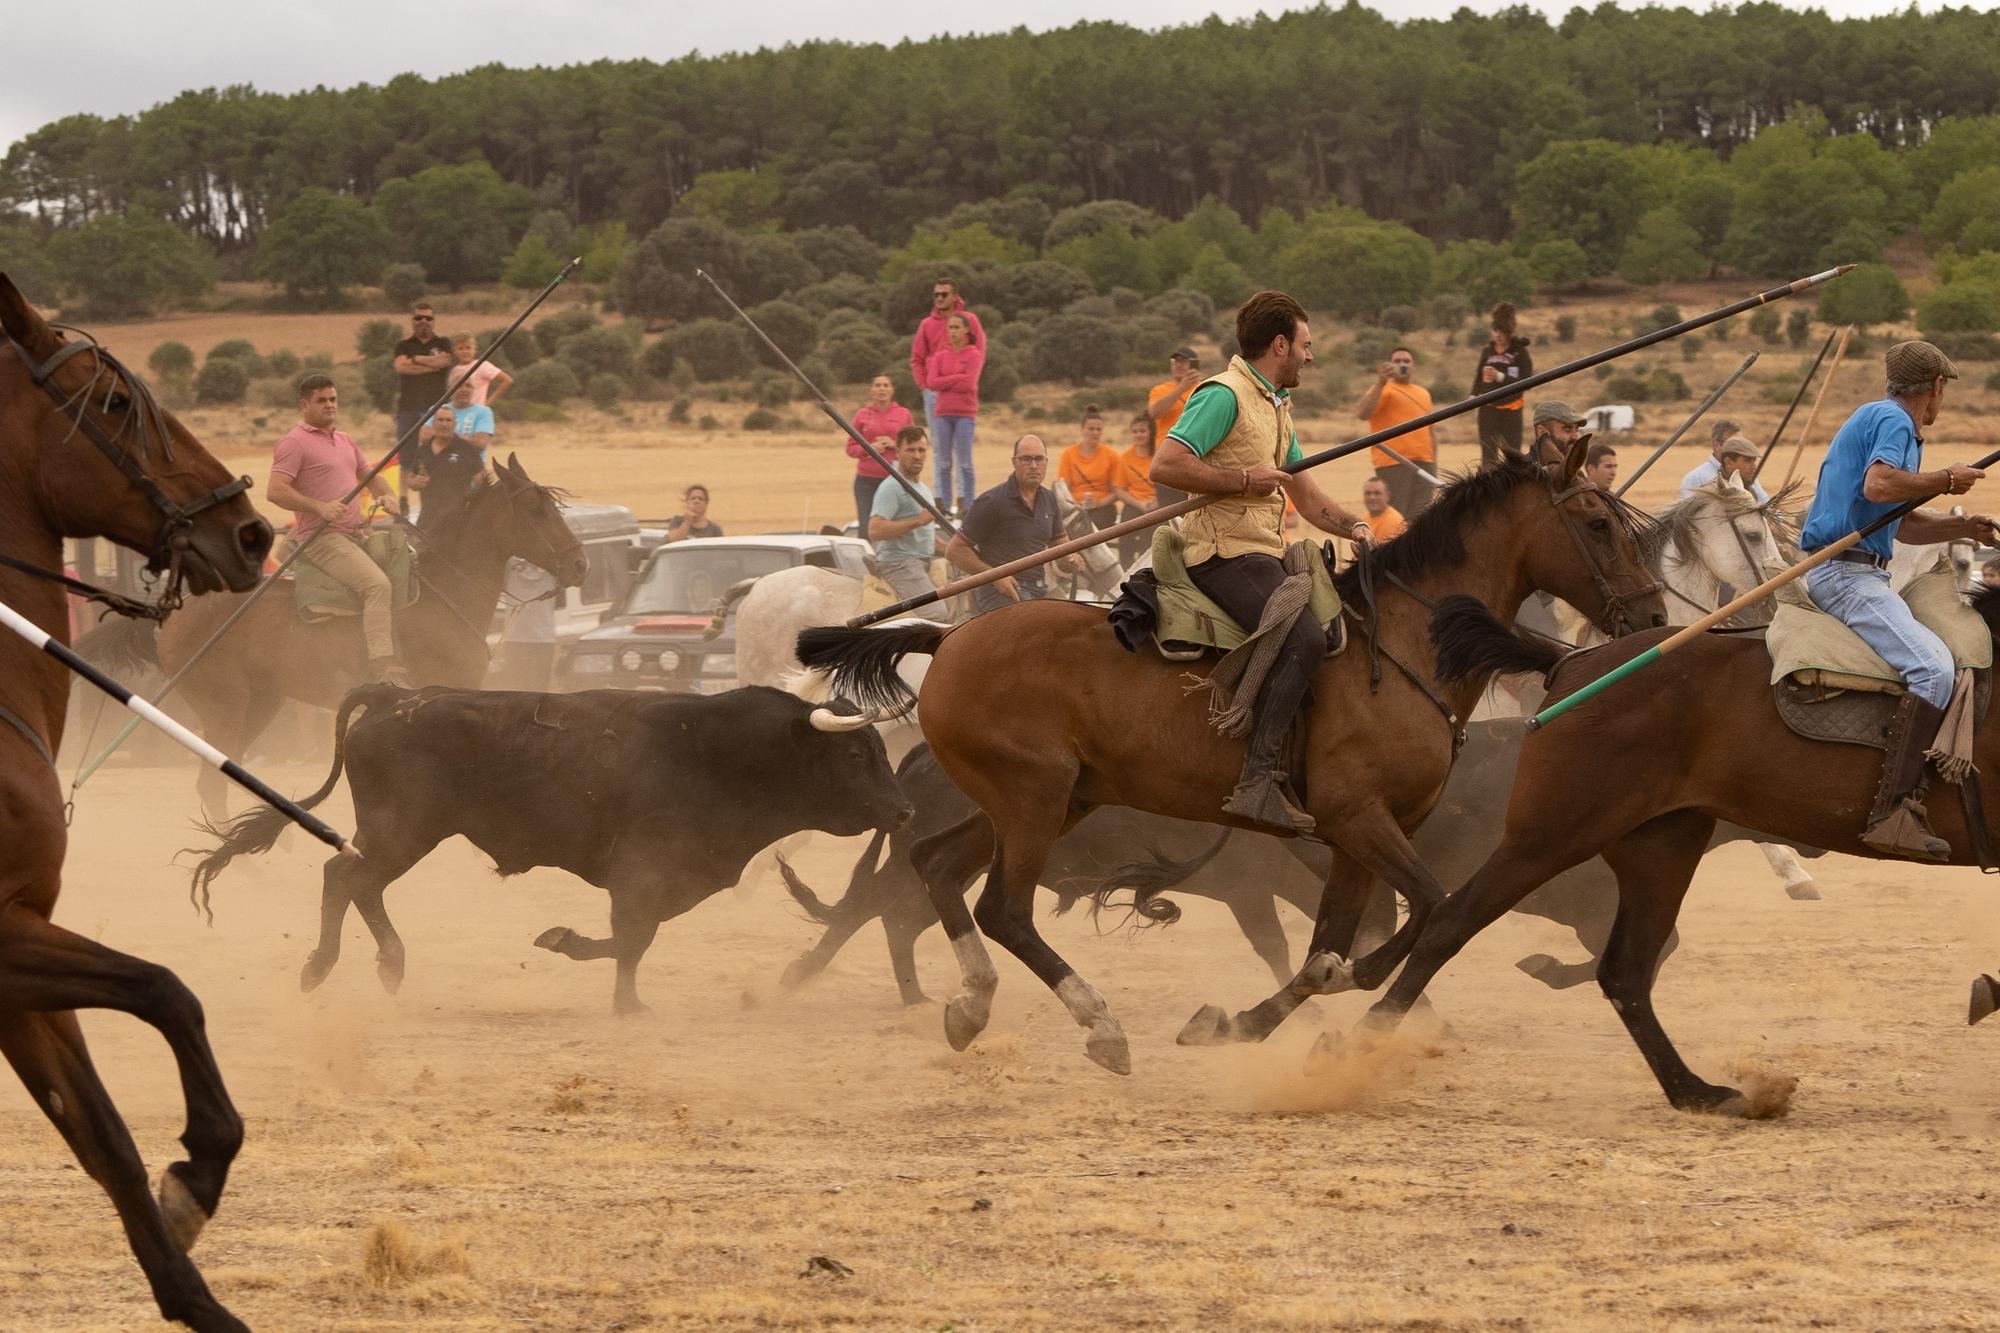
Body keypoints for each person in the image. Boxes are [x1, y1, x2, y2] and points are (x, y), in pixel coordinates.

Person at [1150, 289, 1373, 836]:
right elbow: (1166, 464)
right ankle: (1257, 781)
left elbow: (1307, 496)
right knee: (1304, 640)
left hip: (1262, 553)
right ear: (1280, 345)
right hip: (1222, 554)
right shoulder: (1223, 396)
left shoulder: (1275, 405)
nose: (1311, 356)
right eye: (1306, 345)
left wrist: (1355, 527)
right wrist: (1242, 481)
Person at [1797, 341, 1995, 860]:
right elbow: (1882, 484)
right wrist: (1946, 479)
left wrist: (1960, 524)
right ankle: (1893, 812)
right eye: (1943, 390)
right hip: (1847, 575)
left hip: (1859, 569)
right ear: (1935, 387)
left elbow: (1899, 521)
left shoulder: (1878, 418)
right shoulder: (1894, 420)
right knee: (1934, 669)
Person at [267, 373, 407, 683]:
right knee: (377, 586)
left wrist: (387, 496)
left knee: (405, 570)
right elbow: (275, 491)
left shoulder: (344, 439)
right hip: (322, 538)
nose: (330, 405)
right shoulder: (294, 442)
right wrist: (320, 507)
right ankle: (382, 667)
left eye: (333, 399)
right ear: (305, 405)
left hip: (357, 533)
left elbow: (370, 474)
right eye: (322, 400)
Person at [946, 435, 1082, 616]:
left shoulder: (1049, 499)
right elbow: (954, 551)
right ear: (1014, 462)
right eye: (1026, 459)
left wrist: (1071, 558)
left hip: (1040, 590)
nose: (1034, 465)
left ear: (1046, 462)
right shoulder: (992, 501)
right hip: (1000, 594)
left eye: (1039, 459)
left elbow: (1061, 546)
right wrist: (995, 576)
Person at [868, 426, 947, 617]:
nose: (917, 456)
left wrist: (957, 550)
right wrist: (918, 520)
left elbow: (926, 537)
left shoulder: (922, 489)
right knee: (936, 613)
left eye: (921, 450)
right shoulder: (892, 487)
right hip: (900, 563)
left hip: (923, 561)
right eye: (910, 450)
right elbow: (875, 530)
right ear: (898, 452)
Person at [909, 277, 985, 468]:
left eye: (944, 294)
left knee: (962, 451)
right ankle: (940, 496)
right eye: (936, 294)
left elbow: (979, 351)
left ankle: (962, 496)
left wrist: (969, 378)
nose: (939, 298)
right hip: (934, 393)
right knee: (938, 449)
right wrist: (924, 386)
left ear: (954, 296)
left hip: (963, 395)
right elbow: (916, 358)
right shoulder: (926, 324)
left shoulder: (970, 320)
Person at [1354, 344, 1436, 516]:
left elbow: (1430, 431)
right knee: (1397, 516)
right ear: (1389, 365)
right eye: (1397, 361)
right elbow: (1362, 413)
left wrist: (1433, 463)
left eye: (1406, 361)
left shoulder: (1423, 393)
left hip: (1425, 464)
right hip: (1394, 463)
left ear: (1414, 366)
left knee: (1422, 517)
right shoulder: (1383, 389)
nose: (1402, 364)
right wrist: (1380, 383)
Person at [925, 312, 984, 516]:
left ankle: (968, 505)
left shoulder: (973, 355)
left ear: (966, 330)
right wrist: (957, 378)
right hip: (942, 414)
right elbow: (932, 382)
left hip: (965, 414)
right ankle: (947, 506)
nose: (953, 332)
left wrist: (947, 380)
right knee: (944, 462)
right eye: (950, 328)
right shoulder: (940, 356)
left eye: (957, 327)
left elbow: (969, 384)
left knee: (965, 462)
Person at [393, 303, 455, 486]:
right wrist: (430, 364)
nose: (423, 321)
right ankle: (403, 503)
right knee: (406, 457)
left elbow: (444, 362)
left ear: (434, 321)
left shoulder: (443, 343)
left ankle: (437, 493)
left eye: (428, 318)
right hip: (407, 407)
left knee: (439, 451)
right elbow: (400, 367)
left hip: (437, 408)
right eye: (419, 317)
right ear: (412, 321)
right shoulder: (403, 345)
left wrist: (415, 360)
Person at [848, 373, 913, 539]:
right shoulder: (862, 414)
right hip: (866, 480)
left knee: (894, 524)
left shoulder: (903, 414)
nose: (882, 389)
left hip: (895, 479)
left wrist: (895, 444)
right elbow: (850, 448)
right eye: (877, 385)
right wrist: (869, 448)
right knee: (866, 526)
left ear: (892, 390)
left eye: (886, 385)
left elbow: (914, 445)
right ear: (872, 390)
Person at [408, 405, 491, 531]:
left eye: (448, 420)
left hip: (457, 523)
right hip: (427, 521)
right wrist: (415, 483)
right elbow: (411, 480)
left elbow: (482, 483)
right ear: (433, 423)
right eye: (440, 420)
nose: (444, 424)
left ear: (455, 424)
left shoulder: (466, 449)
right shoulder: (423, 449)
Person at [1471, 302, 1532, 465]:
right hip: (1488, 407)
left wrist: (1500, 376)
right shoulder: (1487, 351)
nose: (1498, 335)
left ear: (1509, 333)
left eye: (1502, 332)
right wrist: (1473, 395)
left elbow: (1528, 381)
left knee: (1513, 454)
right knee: (1488, 454)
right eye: (1495, 331)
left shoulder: (1519, 352)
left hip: (1512, 408)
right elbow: (1478, 376)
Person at [1058, 405, 1136, 531]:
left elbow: (1117, 492)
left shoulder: (1111, 456)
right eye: (1091, 429)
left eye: (1099, 429)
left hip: (1103, 508)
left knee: (1090, 525)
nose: (1095, 433)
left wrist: (1098, 503)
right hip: (1075, 507)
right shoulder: (1068, 454)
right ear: (1082, 429)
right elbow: (1064, 489)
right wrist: (1075, 504)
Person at [494, 557, 557, 691]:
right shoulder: (509, 563)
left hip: (542, 639)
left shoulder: (553, 564)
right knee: (515, 688)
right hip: (515, 638)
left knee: (539, 690)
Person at [1679, 417, 1768, 500]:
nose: (1741, 447)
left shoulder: (1746, 475)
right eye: (1733, 443)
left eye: (1742, 442)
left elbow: (1766, 504)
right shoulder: (1696, 478)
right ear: (1716, 445)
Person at [1118, 413, 1159, 565]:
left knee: (1149, 538)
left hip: (1158, 505)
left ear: (1151, 432)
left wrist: (1158, 502)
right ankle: (1125, 570)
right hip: (1135, 504)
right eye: (1135, 431)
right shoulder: (1125, 457)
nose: (1138, 435)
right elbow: (1120, 490)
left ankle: (1143, 571)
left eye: (1142, 431)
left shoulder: (1159, 455)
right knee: (1125, 533)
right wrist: (1140, 504)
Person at [447, 333, 513, 407]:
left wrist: (488, 403)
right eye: (461, 348)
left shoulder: (481, 365)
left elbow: (507, 380)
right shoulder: (455, 370)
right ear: (454, 351)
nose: (465, 351)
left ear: (475, 349)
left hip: (477, 411)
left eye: (468, 348)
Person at [1360, 475, 1407, 542]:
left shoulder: (1393, 520)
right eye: (1368, 493)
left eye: (1377, 493)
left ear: (1387, 496)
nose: (1372, 497)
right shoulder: (1364, 519)